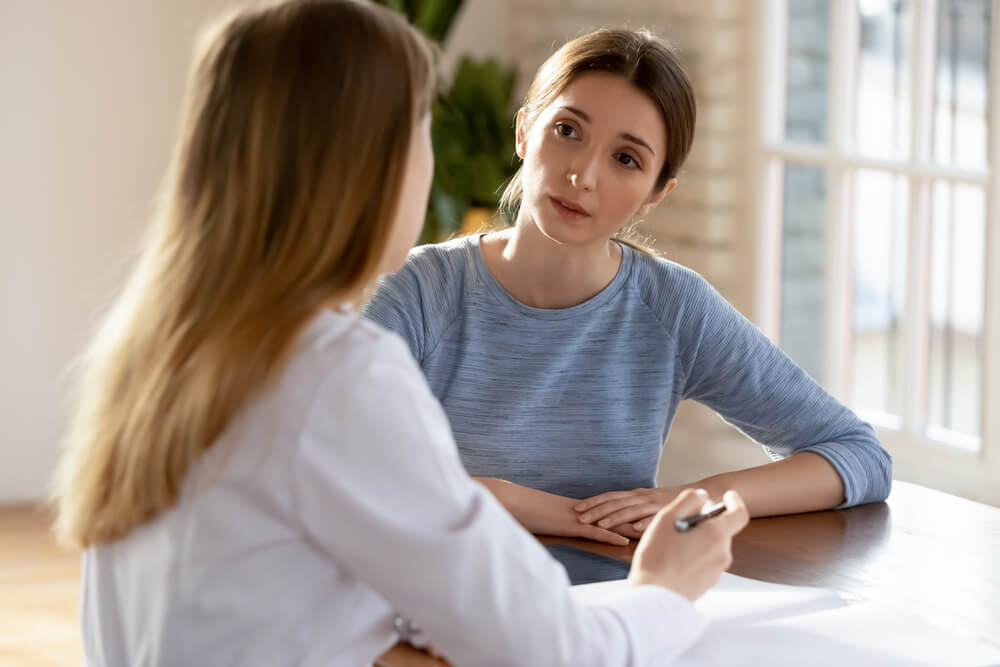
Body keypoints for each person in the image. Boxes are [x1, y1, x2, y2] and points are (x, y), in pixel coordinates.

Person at [51, 2, 750, 665]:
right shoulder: (335, 373)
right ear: (367, 165)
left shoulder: (160, 344)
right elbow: (552, 648)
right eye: (421, 126)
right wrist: (664, 587)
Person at [363, 28, 892, 546]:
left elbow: (858, 455)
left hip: (612, 606)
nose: (584, 175)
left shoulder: (673, 308)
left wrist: (692, 499)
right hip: (436, 606)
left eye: (626, 159)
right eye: (567, 130)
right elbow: (333, 461)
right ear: (524, 131)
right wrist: (553, 511)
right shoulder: (418, 292)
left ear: (655, 194)